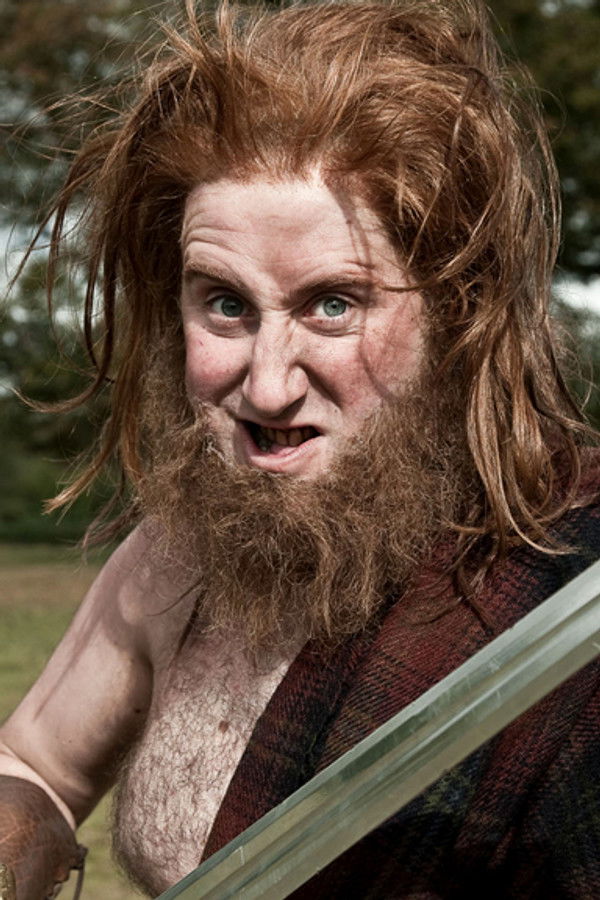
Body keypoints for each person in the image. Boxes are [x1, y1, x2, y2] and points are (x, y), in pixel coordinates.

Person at [1, 0, 599, 897]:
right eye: (225, 304)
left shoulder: (571, 608)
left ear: (458, 316)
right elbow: (36, 760)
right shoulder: (184, 555)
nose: (268, 385)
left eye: (333, 304)